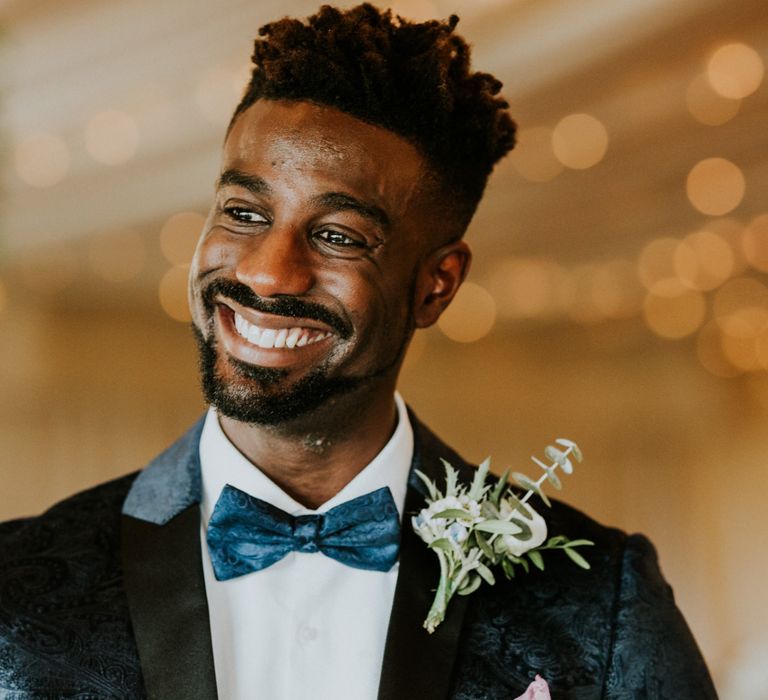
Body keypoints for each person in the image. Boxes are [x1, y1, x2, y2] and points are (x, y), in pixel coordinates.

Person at [0, 4, 717, 699]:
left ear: (436, 286)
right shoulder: (18, 587)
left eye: (338, 236)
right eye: (244, 214)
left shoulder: (602, 606)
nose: (266, 272)